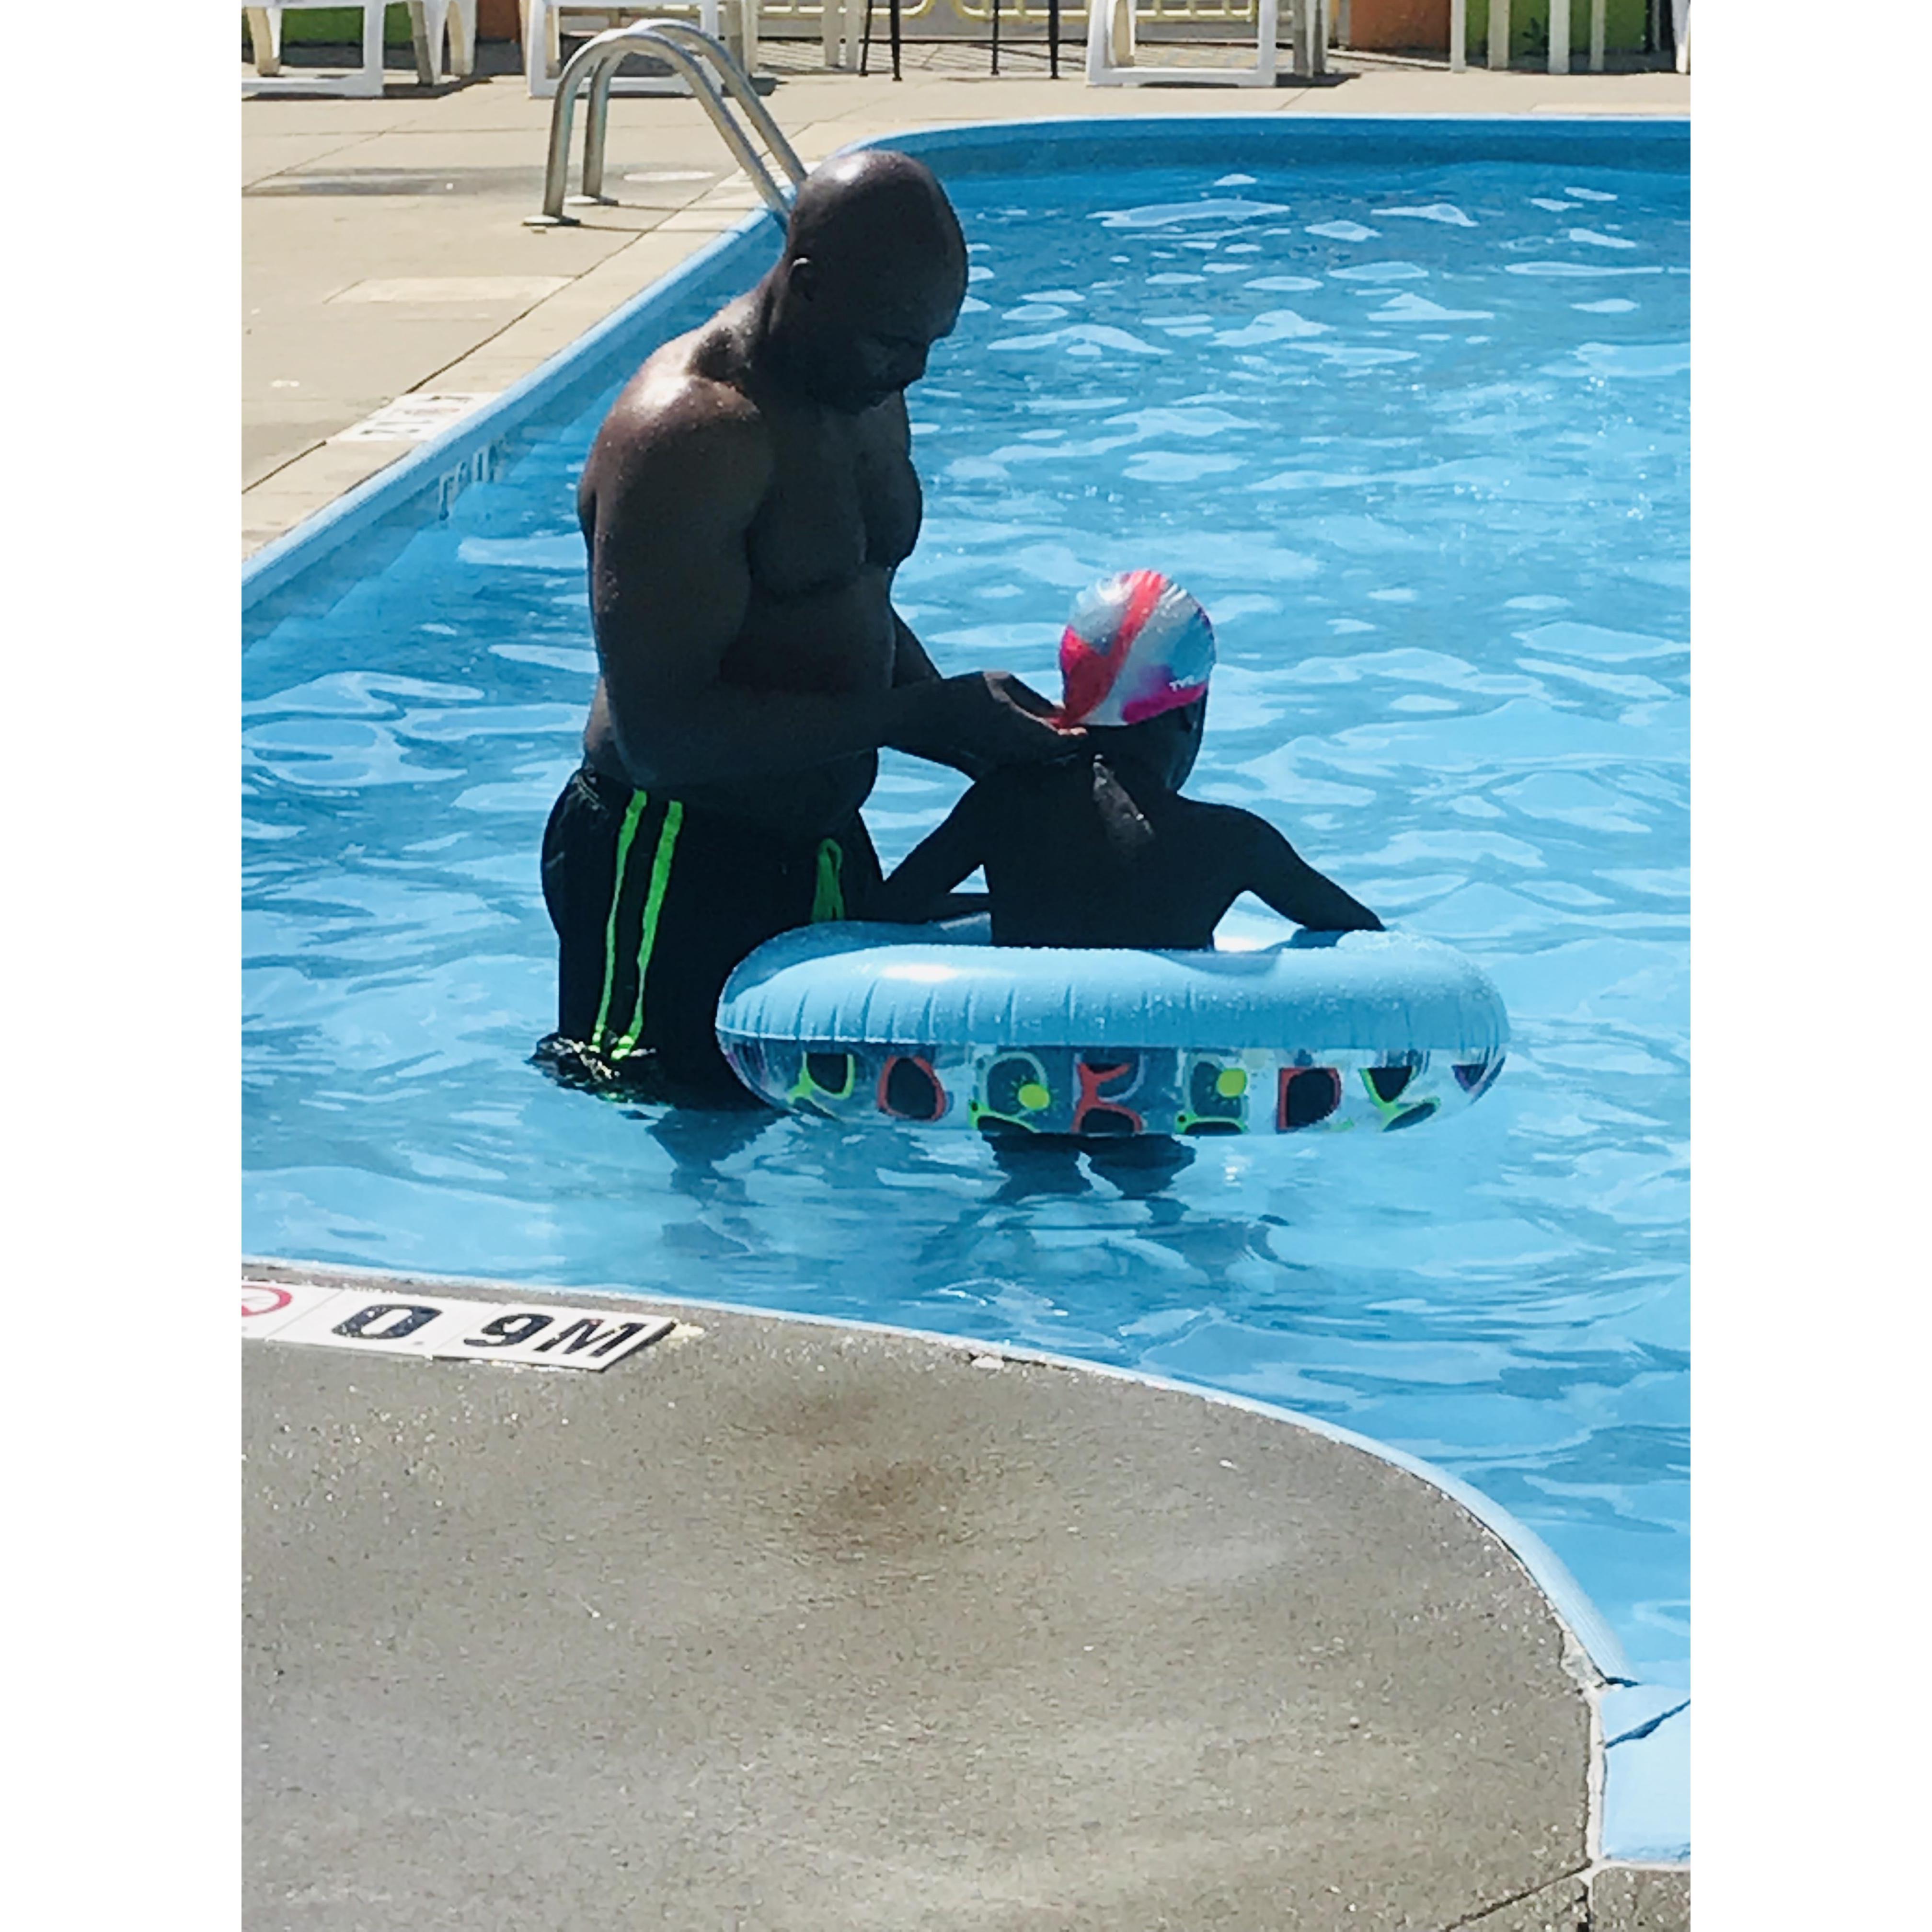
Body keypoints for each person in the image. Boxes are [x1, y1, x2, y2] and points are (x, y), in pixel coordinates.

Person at [536, 150, 1073, 1107]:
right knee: (675, 1137)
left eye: (930, 343)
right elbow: (663, 737)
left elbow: (848, 594)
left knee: (829, 1121)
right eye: (894, 342)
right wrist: (910, 718)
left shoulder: (862, 377)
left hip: (821, 842)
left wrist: (985, 743)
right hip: (672, 858)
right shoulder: (693, 435)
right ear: (810, 288)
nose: (914, 368)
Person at [865, 570, 1385, 946]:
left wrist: (1002, 907)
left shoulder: (1001, 803)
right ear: (1190, 715)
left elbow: (887, 915)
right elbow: (1369, 946)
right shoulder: (1232, 843)